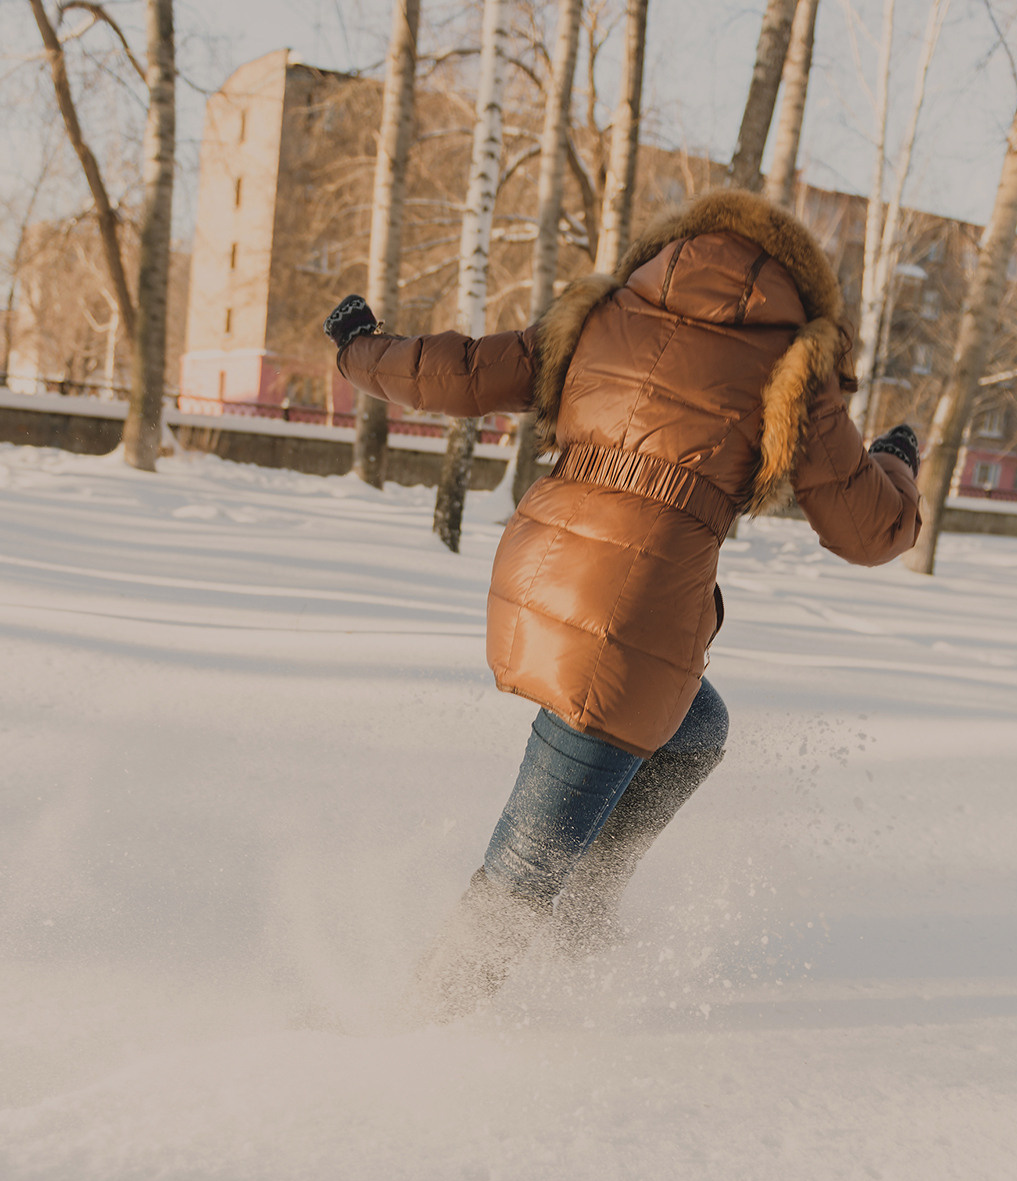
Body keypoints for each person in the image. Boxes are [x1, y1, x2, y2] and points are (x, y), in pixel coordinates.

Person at [325, 189, 923, 1023]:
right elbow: (869, 529)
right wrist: (897, 463)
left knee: (697, 727)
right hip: (630, 620)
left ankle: (586, 907)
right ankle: (424, 1029)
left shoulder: (604, 313)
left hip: (536, 579)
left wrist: (358, 349)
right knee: (523, 867)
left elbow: (456, 373)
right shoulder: (794, 365)